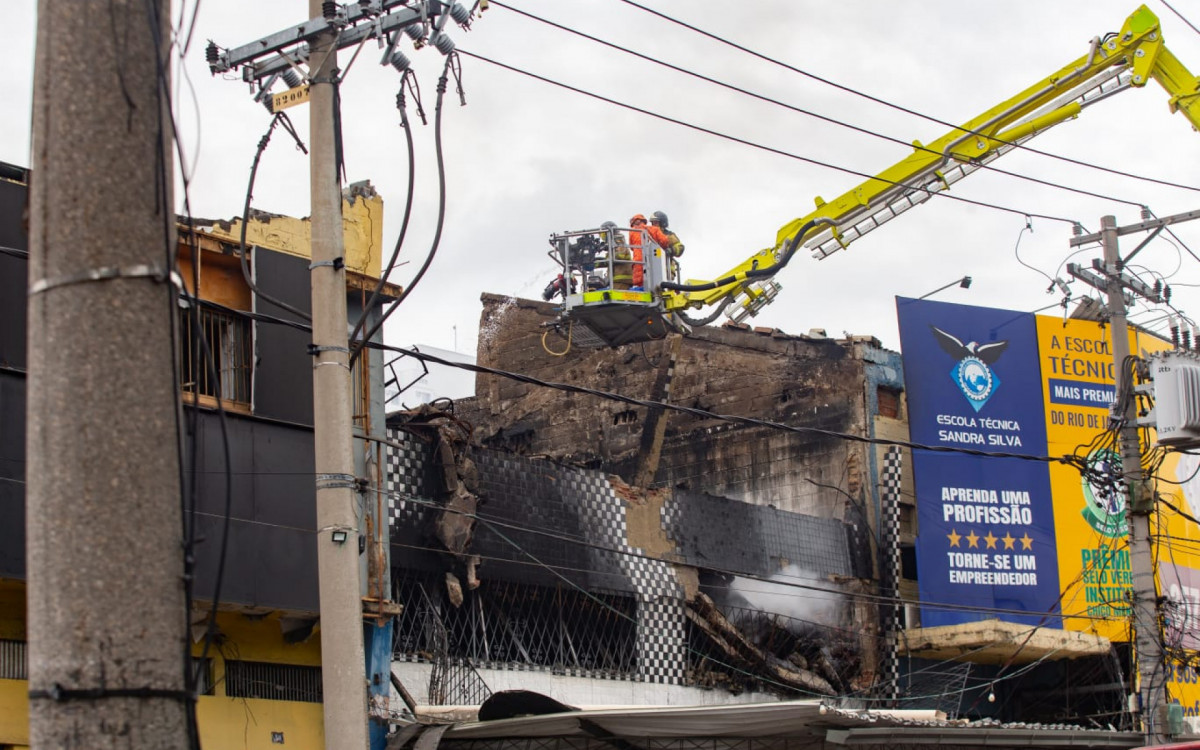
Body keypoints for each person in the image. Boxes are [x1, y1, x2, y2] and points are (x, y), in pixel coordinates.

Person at [649, 211, 685, 281]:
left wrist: (671, 250)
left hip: (667, 271)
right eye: (652, 223)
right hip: (653, 271)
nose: (653, 225)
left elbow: (680, 247)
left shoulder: (669, 236)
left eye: (655, 223)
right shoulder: (650, 236)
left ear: (662, 223)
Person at [627, 214, 650, 290]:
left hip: (637, 257)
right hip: (648, 256)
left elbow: (631, 246)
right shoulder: (647, 229)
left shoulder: (632, 231)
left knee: (638, 279)